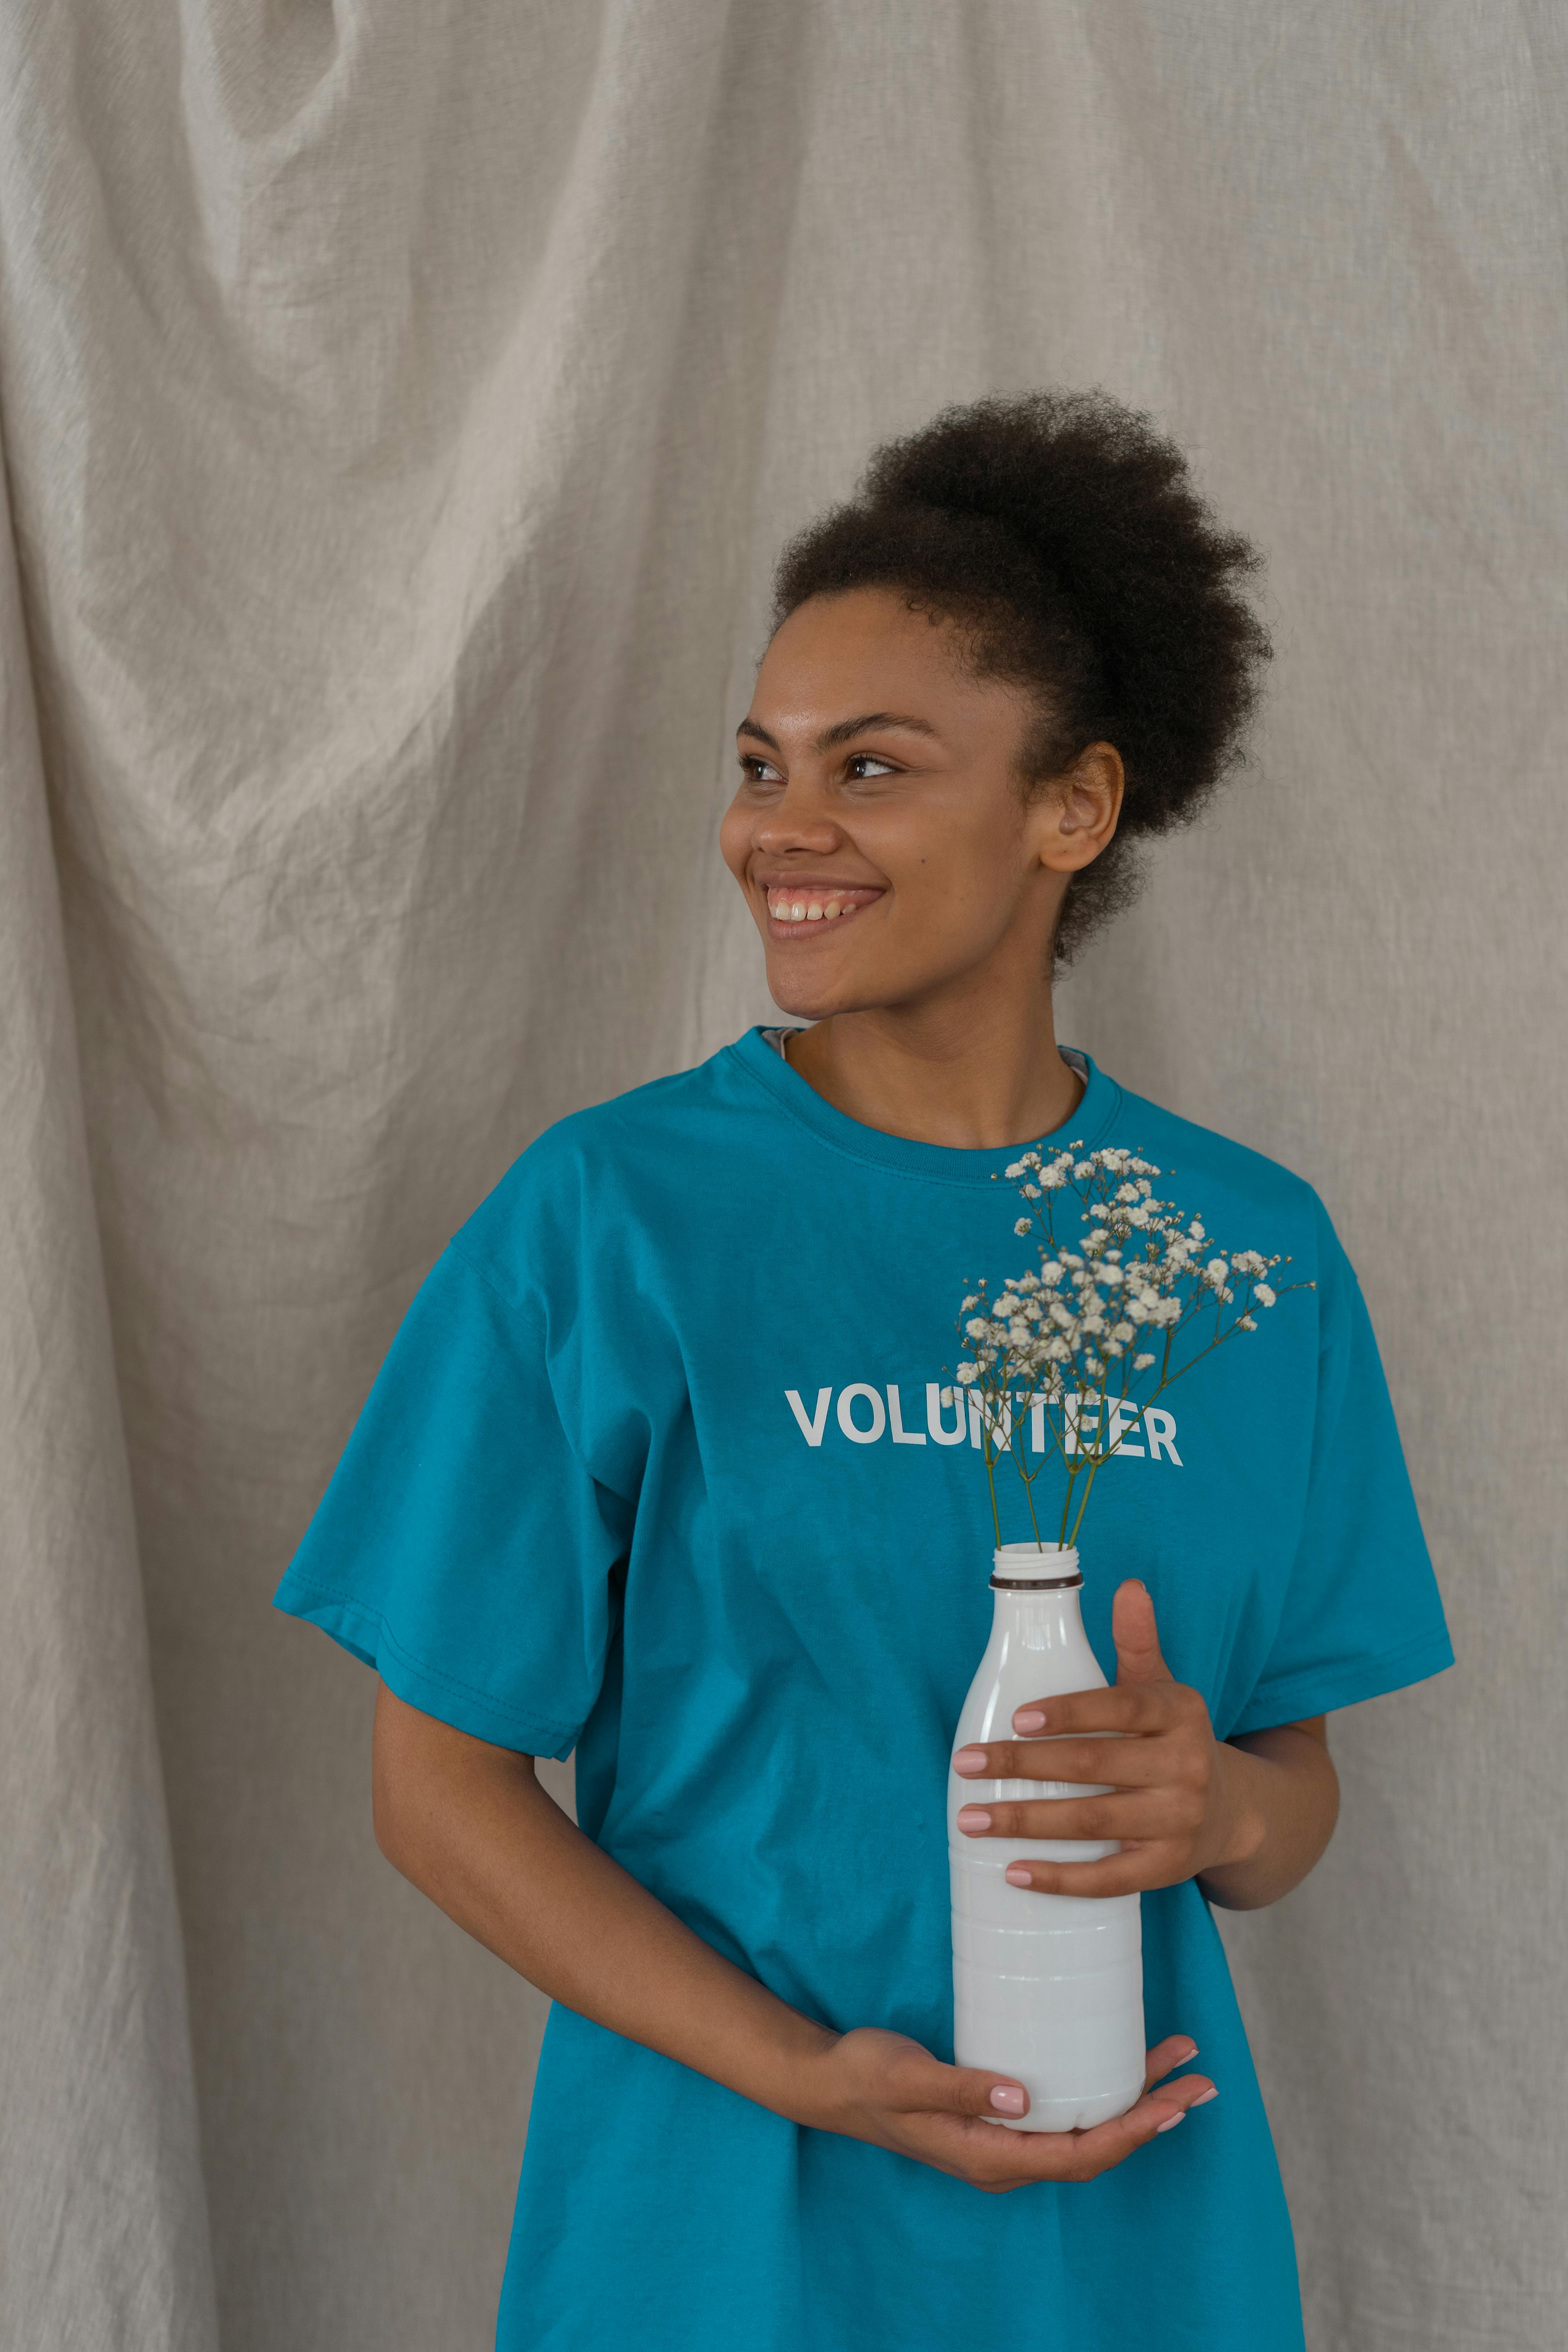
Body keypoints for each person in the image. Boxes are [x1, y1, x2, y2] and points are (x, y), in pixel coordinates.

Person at [274, 391, 1454, 2352]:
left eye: (871, 767)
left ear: (1069, 809)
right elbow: (439, 1783)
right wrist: (799, 2069)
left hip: (1132, 2242)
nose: (776, 832)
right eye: (759, 764)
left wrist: (1216, 1814)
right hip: (713, 2235)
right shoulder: (613, 1218)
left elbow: (1291, 1789)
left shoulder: (1248, 1251)